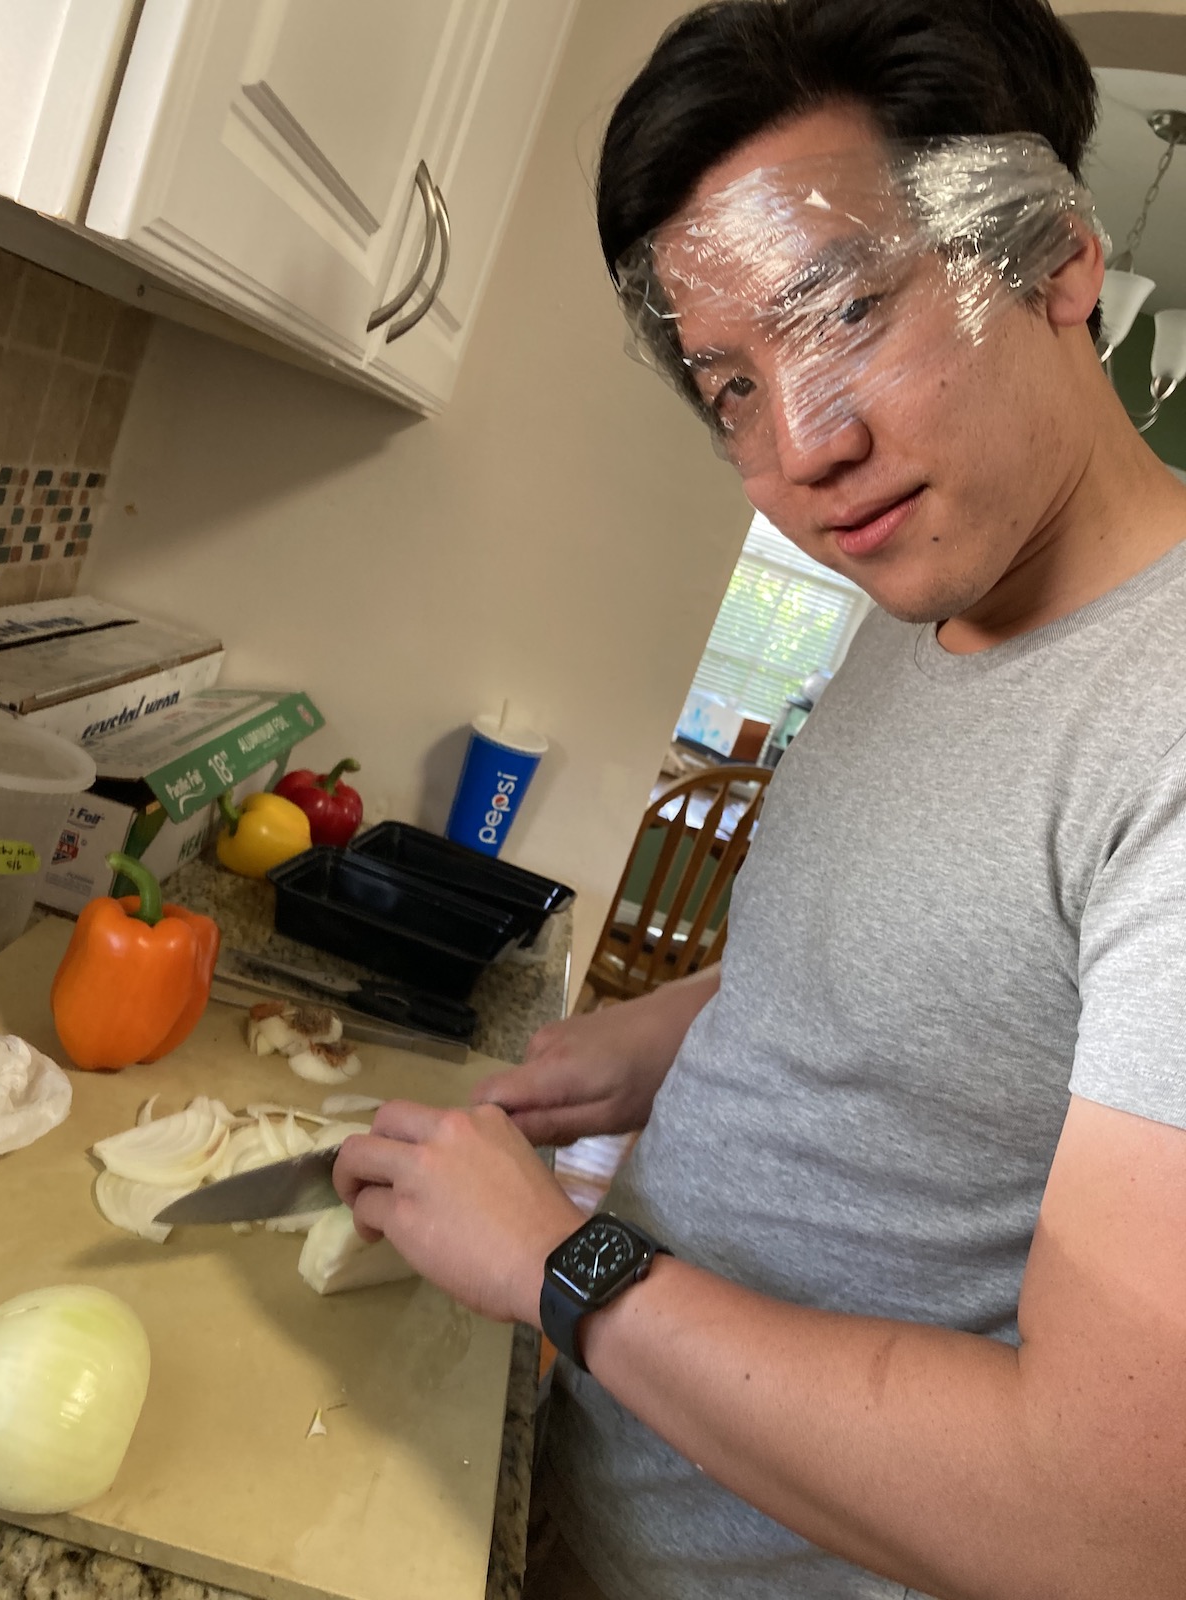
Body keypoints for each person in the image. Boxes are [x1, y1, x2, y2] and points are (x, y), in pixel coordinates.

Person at [334, 2, 1186, 1596]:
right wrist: (654, 1042)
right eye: (729, 386)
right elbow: (946, 984)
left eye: (851, 310)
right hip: (607, 1512)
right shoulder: (929, 598)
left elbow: (1113, 1526)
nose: (806, 449)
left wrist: (562, 1267)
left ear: (1061, 259)